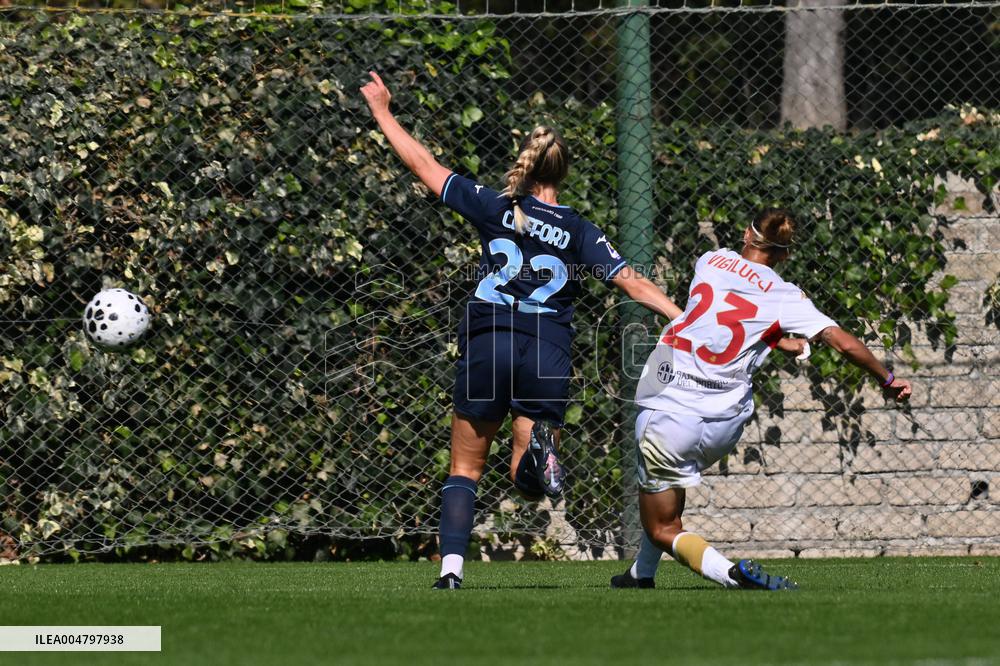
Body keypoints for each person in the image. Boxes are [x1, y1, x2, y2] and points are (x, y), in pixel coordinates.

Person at [359, 71, 687, 589]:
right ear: (563, 174)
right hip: (546, 351)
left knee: (465, 468)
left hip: (489, 340)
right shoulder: (580, 229)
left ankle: (450, 572)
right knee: (527, 482)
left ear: (528, 166)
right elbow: (631, 284)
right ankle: (540, 454)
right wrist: (681, 316)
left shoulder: (496, 205)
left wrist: (381, 110)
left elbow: (424, 165)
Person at [610, 208, 912, 591]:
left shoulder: (711, 260)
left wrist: (773, 339)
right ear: (785, 255)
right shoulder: (787, 297)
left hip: (671, 409)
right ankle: (641, 575)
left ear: (745, 234)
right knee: (672, 484)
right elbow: (841, 341)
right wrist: (886, 378)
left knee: (662, 525)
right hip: (724, 423)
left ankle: (731, 575)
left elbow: (715, 317)